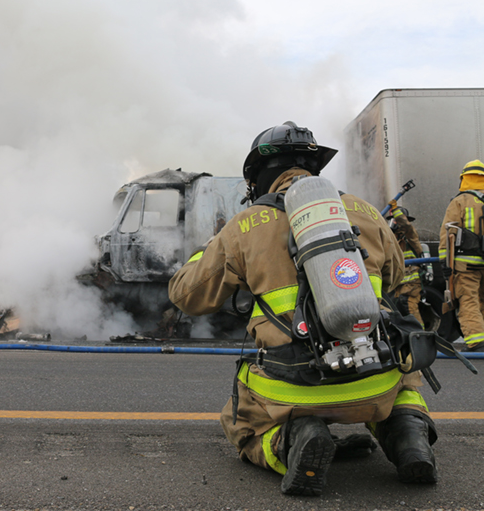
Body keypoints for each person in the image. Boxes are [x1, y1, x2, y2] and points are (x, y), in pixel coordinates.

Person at [168, 121, 437, 495]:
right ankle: (407, 433)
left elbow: (186, 296)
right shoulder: (364, 211)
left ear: (258, 178)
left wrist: (206, 252)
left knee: (240, 419)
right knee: (405, 374)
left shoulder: (244, 226)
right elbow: (393, 278)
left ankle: (293, 438)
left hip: (294, 388)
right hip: (376, 377)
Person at [438, 159, 484, 352]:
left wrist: (444, 261)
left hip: (465, 265)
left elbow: (448, 233)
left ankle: (477, 342)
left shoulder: (460, 201)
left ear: (464, 178)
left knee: (468, 300)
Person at [388, 203, 424, 327]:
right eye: (393, 221)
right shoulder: (392, 239)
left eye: (396, 221)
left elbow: (407, 227)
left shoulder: (411, 238)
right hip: (398, 284)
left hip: (411, 285)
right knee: (396, 313)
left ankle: (421, 335)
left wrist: (396, 211)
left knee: (410, 309)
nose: (394, 223)